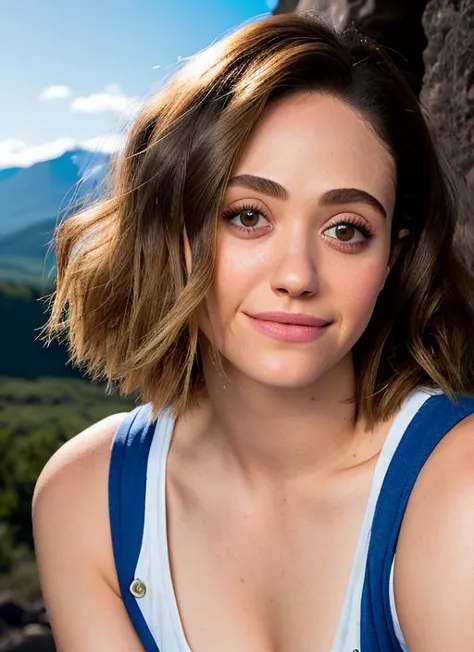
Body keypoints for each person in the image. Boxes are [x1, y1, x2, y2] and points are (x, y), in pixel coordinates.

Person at [32, 11, 474, 652]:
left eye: (345, 229)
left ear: (392, 260)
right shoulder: (87, 502)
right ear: (174, 236)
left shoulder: (456, 490)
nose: (297, 275)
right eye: (247, 216)